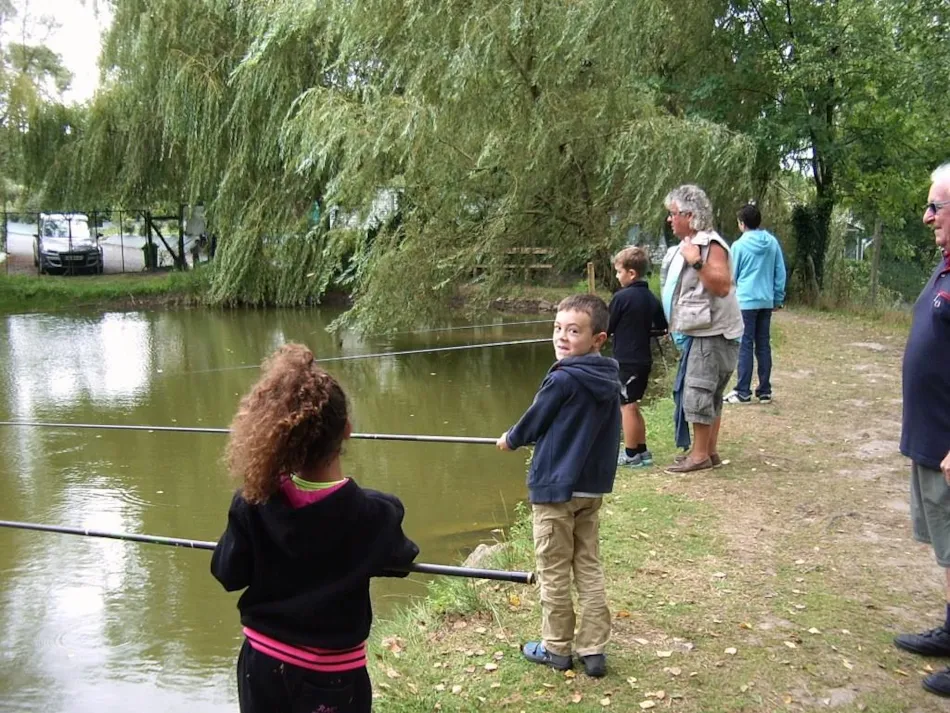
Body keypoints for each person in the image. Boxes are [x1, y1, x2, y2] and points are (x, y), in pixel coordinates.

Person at [211, 343, 419, 713]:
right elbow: (400, 560)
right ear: (347, 431)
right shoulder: (374, 515)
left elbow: (228, 573)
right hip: (334, 677)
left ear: (277, 436)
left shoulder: (253, 502)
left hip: (261, 664)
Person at [496, 294, 621, 678]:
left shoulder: (562, 377)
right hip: (590, 491)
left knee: (552, 569)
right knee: (587, 566)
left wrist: (511, 439)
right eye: (558, 328)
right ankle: (594, 650)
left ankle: (557, 649)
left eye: (573, 331)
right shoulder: (609, 377)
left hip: (556, 492)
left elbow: (534, 421)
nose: (562, 338)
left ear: (597, 338)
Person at [893, 161, 950, 698]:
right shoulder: (946, 264)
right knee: (948, 546)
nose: (926, 215)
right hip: (932, 437)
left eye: (936, 205)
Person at [662, 185, 744, 474]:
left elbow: (721, 286)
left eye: (673, 214)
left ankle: (699, 457)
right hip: (704, 332)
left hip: (712, 334)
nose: (670, 220)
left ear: (690, 215)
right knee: (707, 393)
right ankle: (707, 451)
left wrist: (695, 260)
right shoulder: (695, 243)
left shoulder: (709, 245)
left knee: (698, 392)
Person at [608, 246, 668, 467]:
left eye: (618, 272)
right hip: (643, 360)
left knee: (627, 406)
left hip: (627, 361)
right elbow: (662, 327)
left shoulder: (621, 298)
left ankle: (631, 454)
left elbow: (607, 326)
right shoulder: (651, 298)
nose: (617, 276)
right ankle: (642, 451)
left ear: (631, 273)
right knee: (633, 404)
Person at [723, 204, 787, 404]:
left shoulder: (739, 246)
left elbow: (732, 276)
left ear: (742, 223)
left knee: (745, 345)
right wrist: (777, 297)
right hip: (766, 300)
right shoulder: (772, 243)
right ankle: (765, 390)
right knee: (763, 345)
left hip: (745, 302)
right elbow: (780, 272)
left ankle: (743, 391)